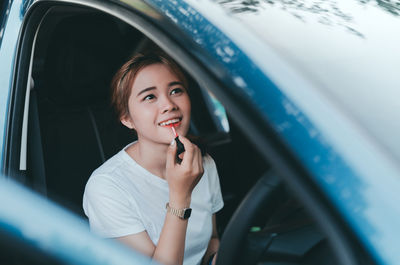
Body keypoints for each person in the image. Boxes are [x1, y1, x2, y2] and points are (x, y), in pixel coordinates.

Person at [83, 52, 224, 265]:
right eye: (150, 97)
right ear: (127, 118)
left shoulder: (202, 163)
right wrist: (180, 196)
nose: (169, 105)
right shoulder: (106, 187)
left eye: (176, 91)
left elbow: (211, 241)